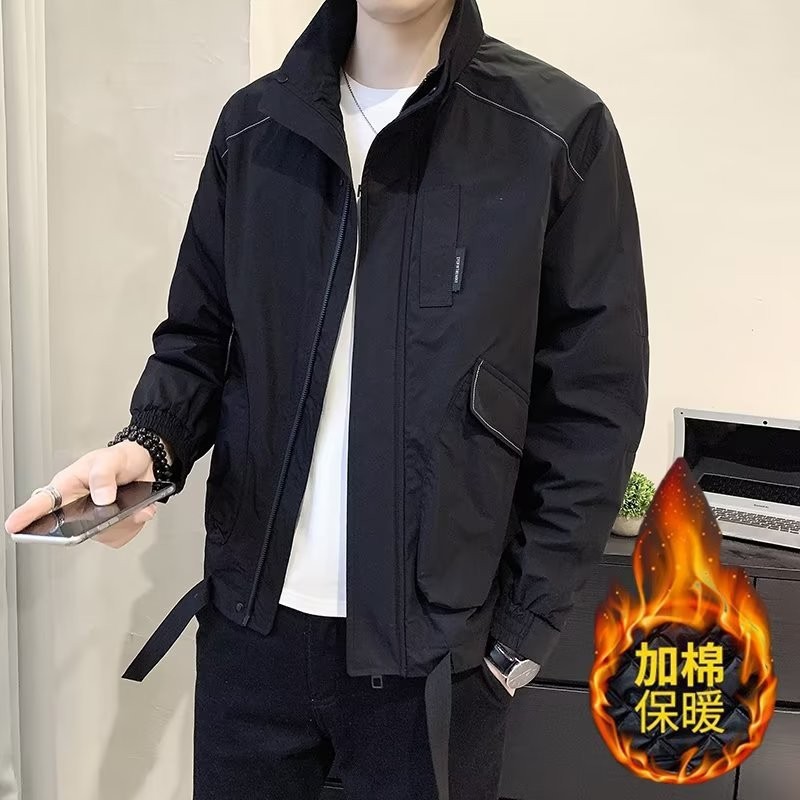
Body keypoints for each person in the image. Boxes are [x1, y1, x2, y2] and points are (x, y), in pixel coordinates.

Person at [4, 0, 649, 797]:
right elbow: (199, 339)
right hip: (252, 643)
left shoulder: (555, 134)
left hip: (437, 661)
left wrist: (518, 639)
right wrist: (148, 447)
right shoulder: (256, 128)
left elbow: (592, 408)